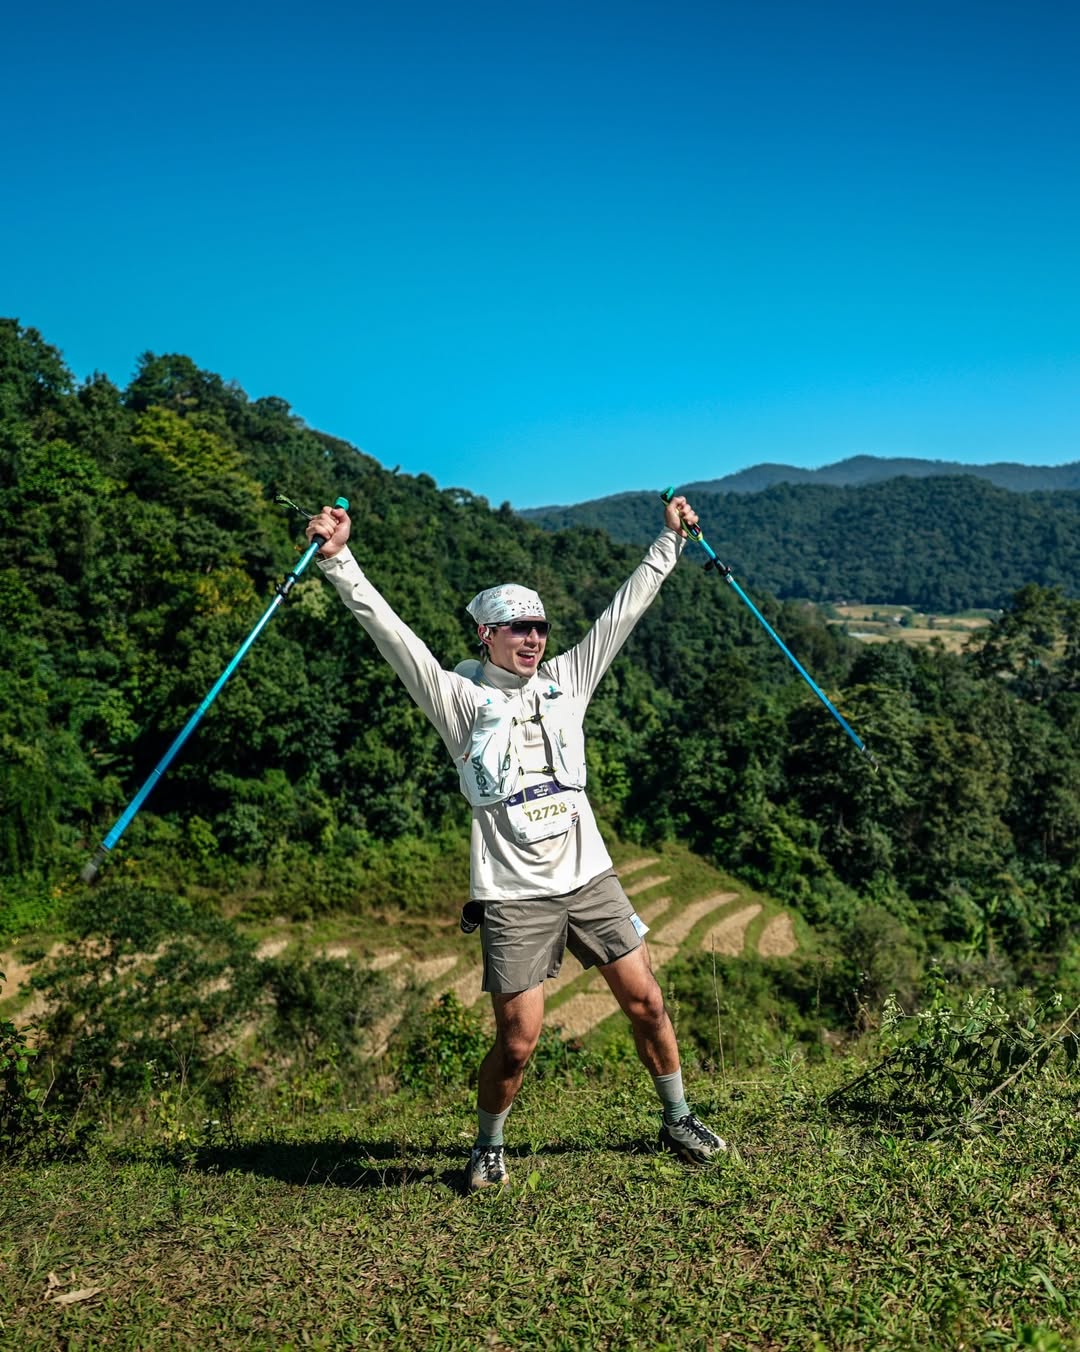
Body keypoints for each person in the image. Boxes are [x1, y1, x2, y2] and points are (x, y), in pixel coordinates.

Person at [306, 494, 726, 1190]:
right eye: (514, 629)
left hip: (590, 875)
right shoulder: (459, 701)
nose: (531, 639)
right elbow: (390, 635)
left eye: (537, 627)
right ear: (484, 636)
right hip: (513, 892)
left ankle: (677, 1115)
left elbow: (623, 612)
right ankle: (489, 1145)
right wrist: (338, 560)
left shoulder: (567, 681)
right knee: (520, 1038)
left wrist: (669, 541)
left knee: (646, 1000)